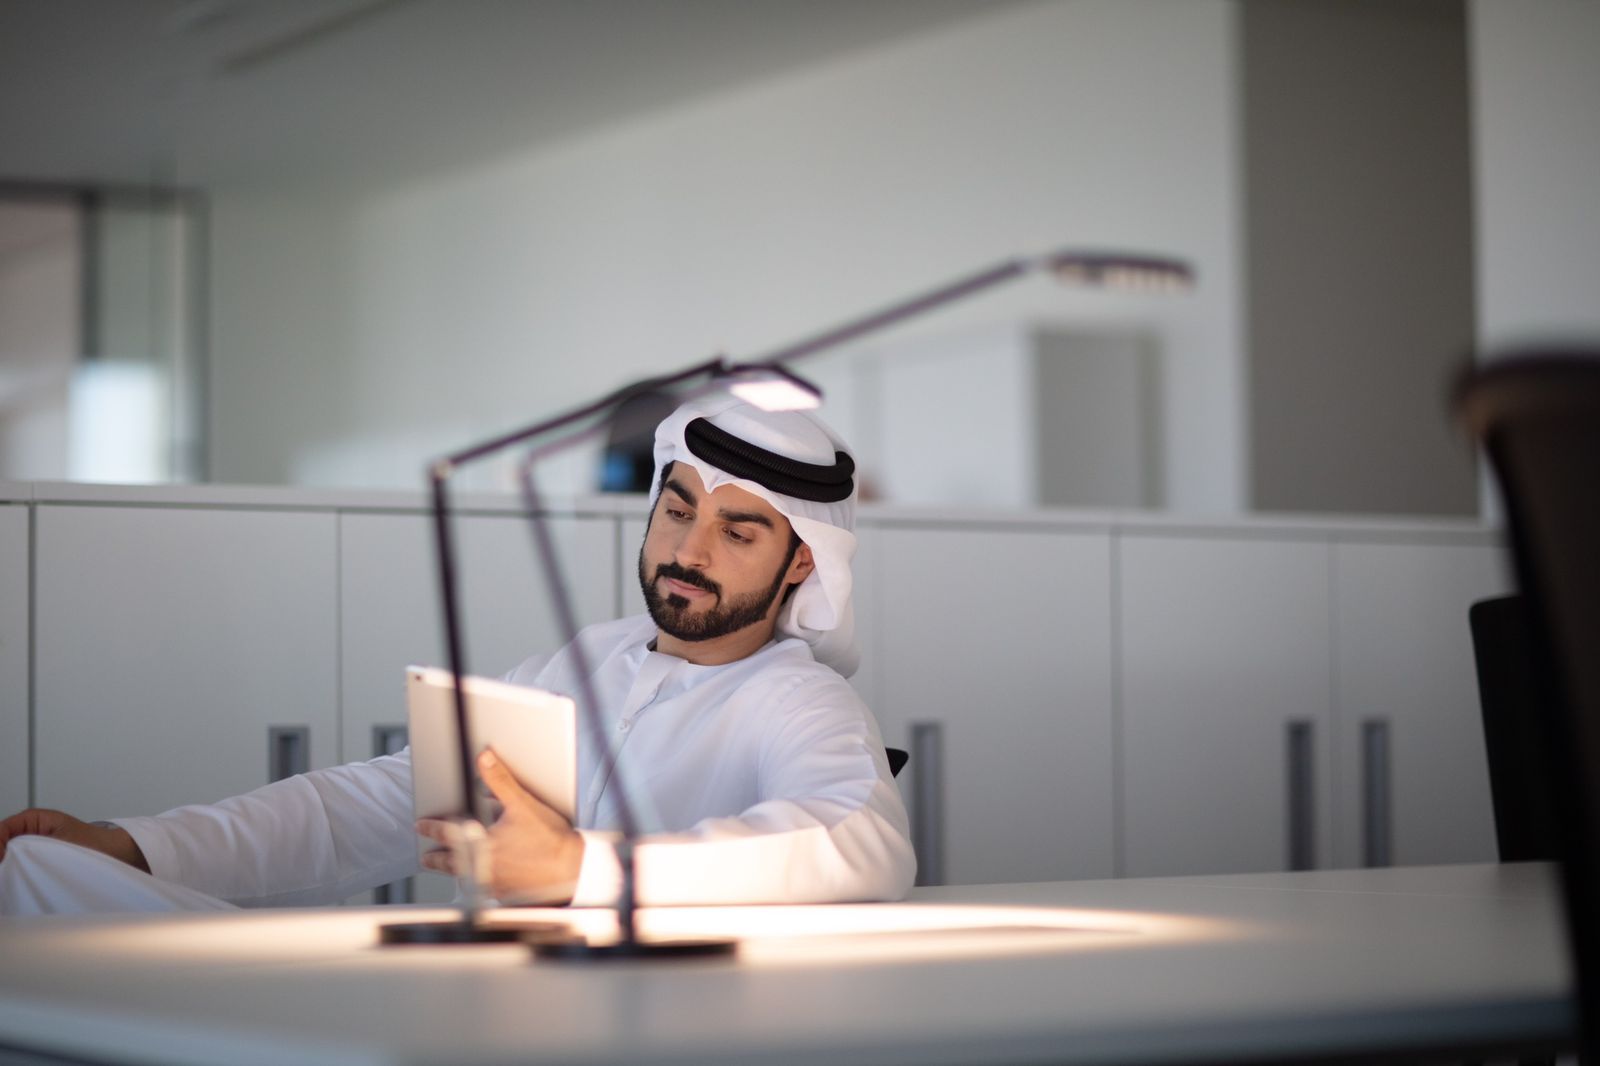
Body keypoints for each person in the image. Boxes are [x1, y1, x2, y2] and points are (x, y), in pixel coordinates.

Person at [0, 396, 915, 914]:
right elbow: (376, 805)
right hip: (511, 1010)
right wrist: (133, 847)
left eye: (737, 532)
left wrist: (587, 868)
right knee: (45, 879)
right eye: (677, 510)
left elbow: (861, 842)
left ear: (802, 562)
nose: (690, 550)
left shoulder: (797, 700)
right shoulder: (581, 664)